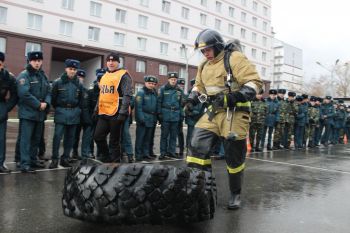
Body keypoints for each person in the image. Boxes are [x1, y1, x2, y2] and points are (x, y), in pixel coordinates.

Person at [184, 29, 262, 209]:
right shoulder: (203, 65)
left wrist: (233, 97)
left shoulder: (234, 58)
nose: (205, 54)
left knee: (233, 155)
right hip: (214, 111)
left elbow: (254, 83)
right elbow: (199, 86)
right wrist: (191, 100)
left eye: (208, 50)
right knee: (196, 144)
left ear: (218, 46)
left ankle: (235, 193)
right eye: (202, 51)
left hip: (235, 111)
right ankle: (202, 188)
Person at [93, 52, 133, 163]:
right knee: (98, 136)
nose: (111, 63)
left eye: (113, 61)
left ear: (118, 62)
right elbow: (102, 94)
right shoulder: (105, 75)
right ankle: (107, 158)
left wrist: (123, 112)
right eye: (109, 61)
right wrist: (96, 109)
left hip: (117, 112)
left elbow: (127, 94)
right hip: (104, 112)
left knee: (114, 141)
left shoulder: (123, 75)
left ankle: (115, 163)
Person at [17, 51, 51, 173]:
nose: (37, 63)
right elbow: (24, 94)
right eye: (34, 61)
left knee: (36, 139)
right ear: (30, 61)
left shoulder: (43, 76)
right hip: (28, 113)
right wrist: (38, 104)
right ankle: (24, 164)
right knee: (26, 140)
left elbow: (49, 91)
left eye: (39, 61)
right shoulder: (24, 75)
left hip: (39, 114)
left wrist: (46, 103)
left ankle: (32, 160)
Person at [49, 59, 84, 169]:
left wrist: (78, 110)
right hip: (61, 112)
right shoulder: (58, 82)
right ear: (66, 69)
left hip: (74, 113)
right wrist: (59, 108)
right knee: (57, 137)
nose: (72, 71)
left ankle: (65, 158)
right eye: (70, 69)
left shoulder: (79, 83)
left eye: (74, 69)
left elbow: (82, 99)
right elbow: (53, 98)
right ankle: (54, 159)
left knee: (70, 138)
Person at [157, 72, 184, 160]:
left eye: (175, 79)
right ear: (168, 79)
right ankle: (163, 153)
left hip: (175, 115)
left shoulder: (179, 90)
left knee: (173, 135)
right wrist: (159, 114)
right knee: (164, 135)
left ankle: (171, 152)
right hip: (165, 115)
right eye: (172, 79)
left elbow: (181, 104)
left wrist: (181, 115)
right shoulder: (163, 89)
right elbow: (159, 102)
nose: (173, 81)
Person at [0, 52, 18, 173]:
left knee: (1, 138)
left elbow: (14, 95)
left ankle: (0, 163)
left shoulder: (8, 77)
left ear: (2, 63)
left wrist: (6, 108)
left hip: (1, 106)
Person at [134, 75, 158, 161]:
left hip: (151, 118)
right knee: (140, 138)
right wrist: (141, 119)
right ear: (145, 83)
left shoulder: (154, 93)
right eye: (149, 83)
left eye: (153, 83)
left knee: (148, 138)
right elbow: (138, 107)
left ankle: (146, 153)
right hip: (143, 118)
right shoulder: (141, 92)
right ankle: (138, 155)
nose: (151, 85)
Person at [72, 69, 94, 160]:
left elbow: (87, 105)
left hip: (84, 118)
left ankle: (84, 153)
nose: (80, 79)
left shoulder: (86, 91)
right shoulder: (72, 89)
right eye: (78, 77)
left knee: (85, 137)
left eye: (82, 77)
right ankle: (74, 152)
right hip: (75, 117)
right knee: (75, 136)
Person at [185, 78, 204, 154]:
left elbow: (203, 107)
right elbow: (187, 108)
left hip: (199, 119)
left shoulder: (202, 95)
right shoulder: (189, 95)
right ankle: (188, 149)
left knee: (198, 135)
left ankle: (195, 149)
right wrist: (195, 113)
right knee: (190, 135)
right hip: (191, 119)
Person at [176, 78, 186, 157]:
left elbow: (184, 104)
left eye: (183, 85)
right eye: (180, 84)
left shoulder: (183, 93)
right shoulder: (174, 91)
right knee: (171, 134)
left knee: (180, 133)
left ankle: (181, 150)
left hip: (180, 116)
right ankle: (171, 150)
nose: (181, 86)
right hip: (173, 115)